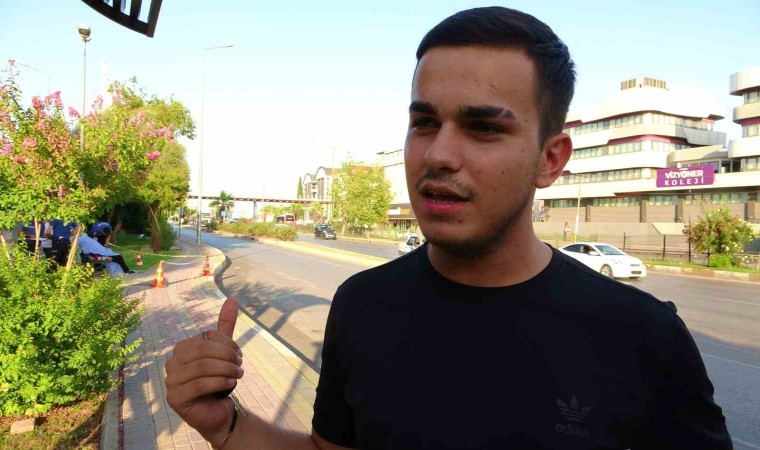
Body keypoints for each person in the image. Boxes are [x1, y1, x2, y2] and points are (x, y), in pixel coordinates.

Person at [164, 7, 732, 449]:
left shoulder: (642, 336)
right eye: (424, 122)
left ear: (550, 159)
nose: (438, 153)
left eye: (483, 128)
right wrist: (225, 425)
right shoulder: (363, 305)